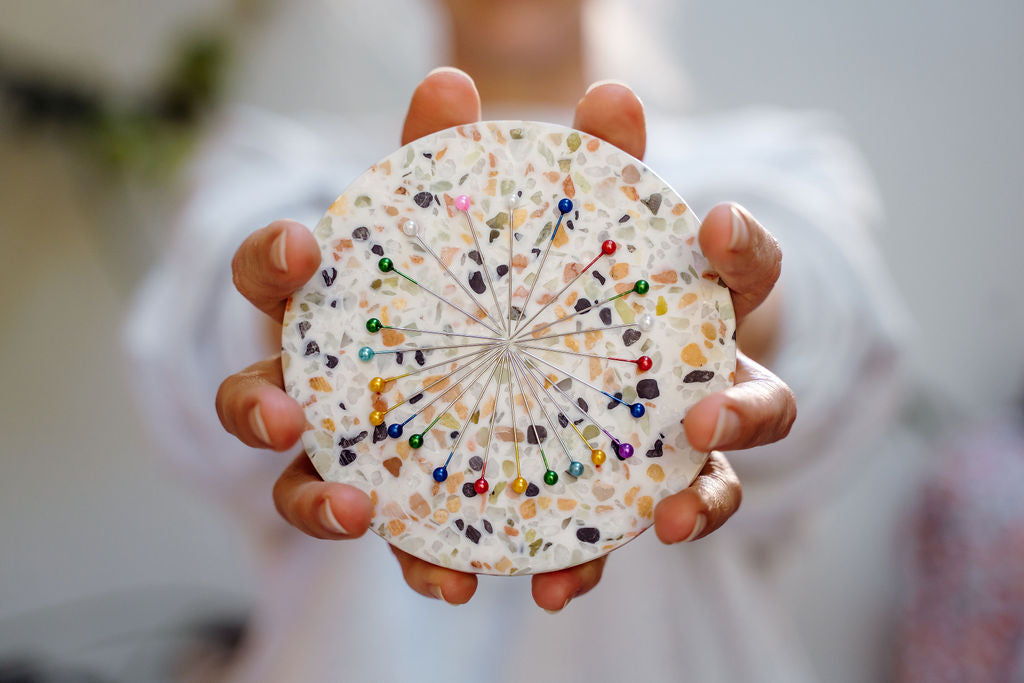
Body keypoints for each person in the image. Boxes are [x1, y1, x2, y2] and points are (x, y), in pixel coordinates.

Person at [126, 4, 907, 680]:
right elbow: (205, 333)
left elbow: (833, 315)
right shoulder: (283, 168)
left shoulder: (767, 162)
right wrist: (304, 315)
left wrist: (731, 309)